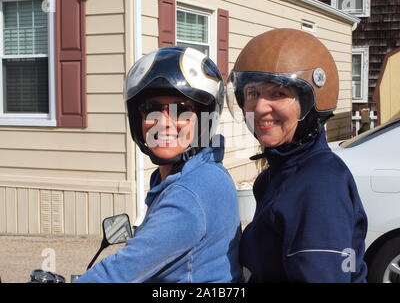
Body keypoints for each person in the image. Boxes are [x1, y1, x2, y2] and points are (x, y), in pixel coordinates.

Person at [76, 46, 243, 283]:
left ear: (204, 119)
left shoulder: (191, 191)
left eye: (181, 110)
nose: (163, 123)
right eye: (151, 108)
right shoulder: (195, 171)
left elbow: (117, 274)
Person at [226, 28, 368, 283]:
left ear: (311, 104)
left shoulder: (318, 186)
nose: (259, 108)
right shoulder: (279, 173)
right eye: (252, 93)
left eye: (278, 93)